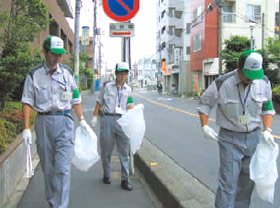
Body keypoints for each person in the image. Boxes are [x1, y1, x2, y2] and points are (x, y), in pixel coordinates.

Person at [197, 50, 275, 208]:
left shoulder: (263, 82)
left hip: (253, 137)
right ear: (239, 69)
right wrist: (204, 126)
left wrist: (267, 129)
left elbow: (267, 106)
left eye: (255, 75)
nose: (251, 79)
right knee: (228, 181)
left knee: (247, 181)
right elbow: (205, 103)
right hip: (230, 138)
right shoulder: (222, 83)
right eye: (248, 75)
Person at [21, 36, 90, 208]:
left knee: (62, 168)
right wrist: (26, 129)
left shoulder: (67, 73)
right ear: (45, 52)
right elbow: (27, 101)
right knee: (49, 170)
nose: (58, 58)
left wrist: (82, 120)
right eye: (54, 54)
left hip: (64, 121)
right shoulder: (34, 75)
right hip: (43, 122)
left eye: (60, 54)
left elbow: (75, 98)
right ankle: (53, 201)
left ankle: (60, 205)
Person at [91, 62, 134, 191]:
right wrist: (94, 116)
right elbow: (99, 101)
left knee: (124, 152)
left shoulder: (128, 89)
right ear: (115, 73)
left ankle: (125, 180)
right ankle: (107, 174)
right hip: (108, 118)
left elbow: (130, 104)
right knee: (106, 150)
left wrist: (134, 114)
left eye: (125, 73)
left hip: (123, 120)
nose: (122, 76)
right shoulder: (107, 87)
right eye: (120, 73)